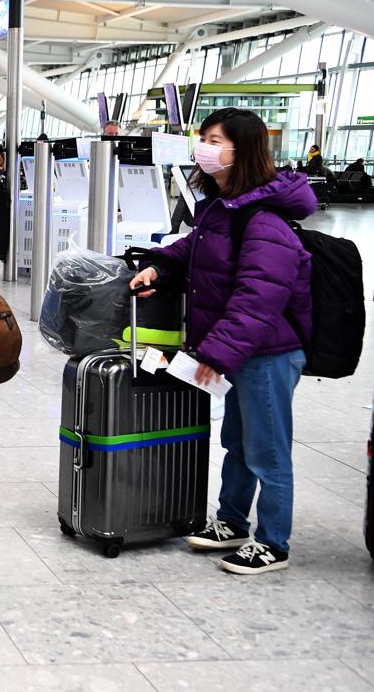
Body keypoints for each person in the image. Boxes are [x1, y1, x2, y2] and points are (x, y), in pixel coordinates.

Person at [130, 108, 313, 575]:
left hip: (268, 352)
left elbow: (259, 297)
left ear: (242, 151)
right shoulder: (224, 207)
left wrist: (216, 353)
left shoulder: (264, 219)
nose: (204, 148)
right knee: (237, 440)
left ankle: (274, 543)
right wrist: (160, 266)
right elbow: (195, 249)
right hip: (243, 351)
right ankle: (232, 520)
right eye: (203, 137)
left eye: (215, 140)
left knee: (267, 451)